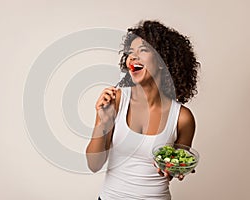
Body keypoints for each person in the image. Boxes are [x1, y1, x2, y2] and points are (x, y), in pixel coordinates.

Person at [86, 20, 200, 200]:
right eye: (130, 53)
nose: (132, 58)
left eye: (143, 50)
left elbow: (174, 167)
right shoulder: (115, 101)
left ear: (162, 61)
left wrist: (176, 169)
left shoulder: (182, 118)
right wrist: (103, 123)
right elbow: (93, 164)